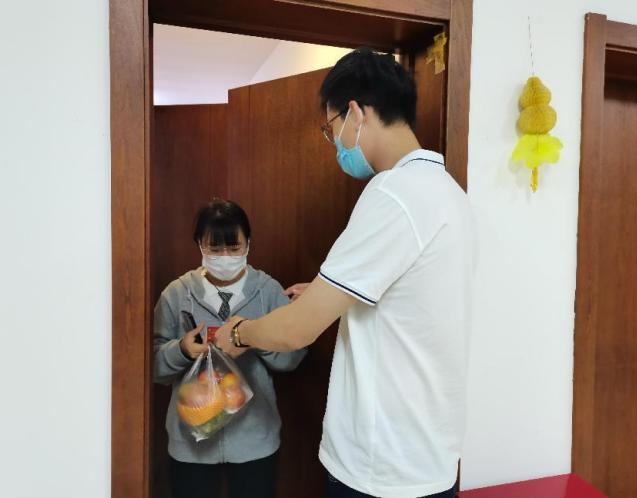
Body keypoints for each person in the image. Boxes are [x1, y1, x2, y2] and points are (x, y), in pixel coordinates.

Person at [215, 48, 477, 498]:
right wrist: (326, 293)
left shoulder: (393, 193)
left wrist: (238, 333)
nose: (335, 141)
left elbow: (295, 331)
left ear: (355, 112)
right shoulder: (449, 193)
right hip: (430, 457)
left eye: (330, 127)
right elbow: (408, 300)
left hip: (379, 469)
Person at [153, 199, 306, 498]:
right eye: (214, 248)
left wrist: (254, 337)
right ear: (199, 244)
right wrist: (181, 350)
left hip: (255, 440)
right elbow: (152, 367)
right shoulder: (177, 294)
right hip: (191, 443)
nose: (225, 257)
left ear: (248, 244)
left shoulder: (268, 292)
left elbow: (291, 359)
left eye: (234, 248)